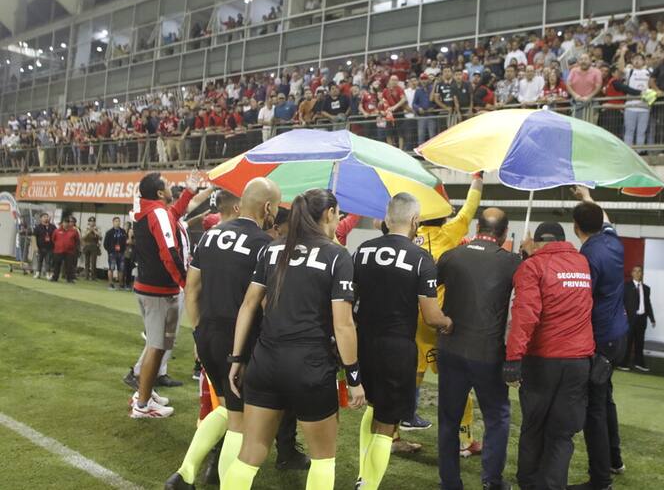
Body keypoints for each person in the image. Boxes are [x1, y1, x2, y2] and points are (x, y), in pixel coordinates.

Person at [221, 189, 366, 490]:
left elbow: (248, 305)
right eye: (338, 213)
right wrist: (354, 377)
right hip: (309, 367)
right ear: (329, 214)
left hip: (265, 362)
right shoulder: (336, 256)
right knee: (323, 459)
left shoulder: (273, 249)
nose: (338, 218)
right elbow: (343, 324)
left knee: (251, 453)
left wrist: (236, 358)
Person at [166, 179, 304, 489]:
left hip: (208, 333)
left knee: (227, 409)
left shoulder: (211, 235)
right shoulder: (263, 245)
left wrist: (199, 331)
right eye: (276, 207)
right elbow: (266, 303)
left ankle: (185, 473)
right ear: (267, 207)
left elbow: (192, 289)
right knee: (239, 424)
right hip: (240, 342)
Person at [353, 193, 453, 490]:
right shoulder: (421, 258)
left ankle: (362, 473)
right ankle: (367, 485)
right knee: (387, 423)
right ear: (415, 221)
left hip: (362, 343)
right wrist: (449, 323)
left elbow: (350, 299)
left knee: (373, 407)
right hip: (397, 348)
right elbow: (432, 316)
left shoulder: (362, 250)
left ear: (386, 219)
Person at [505, 222, 595, 490]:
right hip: (579, 360)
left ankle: (529, 482)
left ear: (538, 241)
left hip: (543, 360)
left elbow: (525, 315)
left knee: (533, 426)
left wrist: (513, 357)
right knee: (562, 433)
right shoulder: (582, 264)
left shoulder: (532, 267)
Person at [437, 208, 520, 490]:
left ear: (476, 226)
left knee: (448, 419)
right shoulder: (511, 262)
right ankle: (492, 482)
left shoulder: (451, 256)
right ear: (505, 233)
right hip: (489, 353)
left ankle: (449, 483)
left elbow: (425, 290)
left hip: (450, 349)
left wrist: (440, 320)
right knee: (497, 417)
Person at [409, 174, 483, 455]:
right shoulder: (450, 234)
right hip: (439, 322)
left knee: (406, 382)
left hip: (411, 324)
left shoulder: (408, 237)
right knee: (456, 382)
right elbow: (470, 207)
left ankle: (389, 435)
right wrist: (477, 179)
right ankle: (465, 441)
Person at [568, 186, 628, 490]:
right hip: (619, 335)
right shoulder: (613, 242)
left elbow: (582, 301)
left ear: (575, 228)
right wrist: (587, 196)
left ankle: (600, 479)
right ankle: (614, 460)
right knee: (606, 400)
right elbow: (604, 218)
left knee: (594, 409)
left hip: (601, 338)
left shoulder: (587, 256)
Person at [128, 172, 197, 418]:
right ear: (159, 193)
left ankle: (145, 393)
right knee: (157, 346)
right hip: (158, 290)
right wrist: (187, 283)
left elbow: (174, 214)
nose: (171, 187)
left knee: (156, 345)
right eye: (166, 184)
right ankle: (143, 404)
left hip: (151, 287)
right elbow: (169, 252)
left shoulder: (153, 211)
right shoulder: (157, 213)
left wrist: (189, 192)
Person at [620, 266, 656, 372]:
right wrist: (622, 314)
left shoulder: (646, 288)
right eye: (635, 271)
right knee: (628, 342)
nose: (637, 273)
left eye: (639, 271)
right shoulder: (625, 286)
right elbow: (620, 302)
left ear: (642, 274)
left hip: (642, 319)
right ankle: (623, 363)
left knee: (640, 343)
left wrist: (652, 318)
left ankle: (639, 363)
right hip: (630, 320)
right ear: (631, 273)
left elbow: (648, 304)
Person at [51, 218, 81, 284]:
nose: (66, 224)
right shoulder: (57, 231)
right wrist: (58, 245)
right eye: (65, 222)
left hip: (69, 252)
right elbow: (53, 239)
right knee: (57, 265)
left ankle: (69, 279)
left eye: (67, 222)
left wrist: (73, 248)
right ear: (62, 223)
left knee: (69, 266)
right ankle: (55, 277)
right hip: (58, 251)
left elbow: (77, 241)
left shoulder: (74, 231)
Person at [104, 216, 127, 290]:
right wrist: (110, 251)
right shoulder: (109, 232)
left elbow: (125, 242)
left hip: (121, 253)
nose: (118, 222)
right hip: (112, 253)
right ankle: (110, 284)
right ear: (113, 222)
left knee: (121, 269)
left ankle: (121, 284)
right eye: (116, 221)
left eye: (119, 221)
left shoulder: (123, 231)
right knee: (111, 268)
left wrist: (123, 250)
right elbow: (105, 244)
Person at [32, 212, 56, 279]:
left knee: (48, 262)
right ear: (41, 219)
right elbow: (33, 237)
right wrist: (35, 247)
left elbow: (56, 236)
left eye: (47, 216)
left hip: (50, 248)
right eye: (44, 217)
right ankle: (38, 273)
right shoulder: (38, 227)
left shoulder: (53, 227)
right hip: (40, 248)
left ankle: (47, 274)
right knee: (39, 261)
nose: (46, 218)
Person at [82, 216, 101, 281]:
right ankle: (86, 276)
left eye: (93, 221)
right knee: (86, 262)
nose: (92, 223)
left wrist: (94, 231)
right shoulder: (85, 228)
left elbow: (100, 236)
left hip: (94, 246)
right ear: (88, 222)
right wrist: (89, 231)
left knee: (93, 262)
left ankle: (93, 277)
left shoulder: (97, 229)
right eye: (91, 221)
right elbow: (83, 237)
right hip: (87, 245)